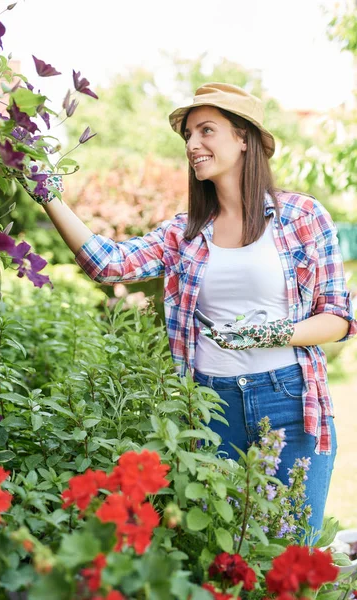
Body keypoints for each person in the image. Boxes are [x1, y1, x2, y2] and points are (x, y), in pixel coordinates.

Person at [27, 82, 356, 534]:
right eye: (187, 136)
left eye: (206, 131)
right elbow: (107, 264)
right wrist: (50, 197)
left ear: (244, 138)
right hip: (209, 407)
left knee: (290, 555)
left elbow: (339, 317)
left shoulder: (303, 216)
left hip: (288, 402)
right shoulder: (183, 233)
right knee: (224, 561)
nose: (192, 145)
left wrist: (272, 334)